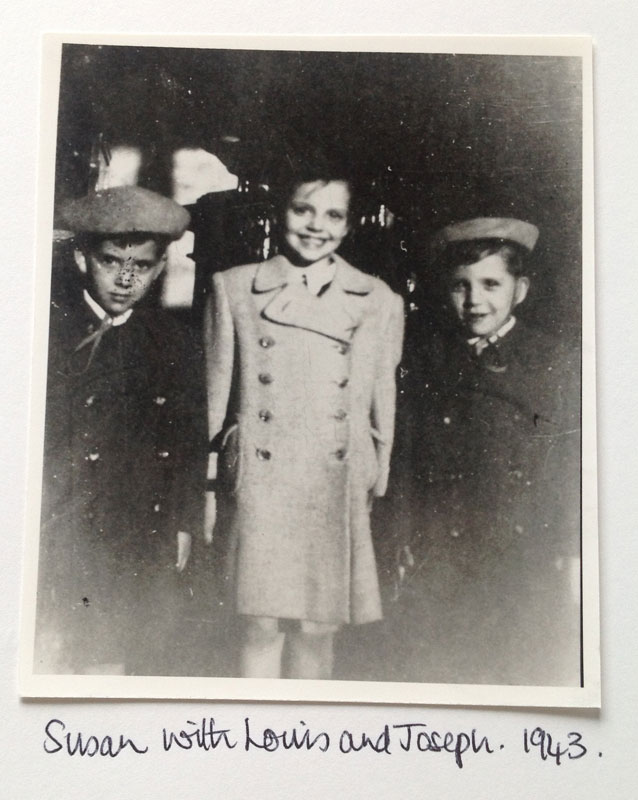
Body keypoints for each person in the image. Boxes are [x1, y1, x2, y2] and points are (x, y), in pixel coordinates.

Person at [203, 164, 404, 679]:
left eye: (333, 215)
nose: (316, 226)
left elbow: (382, 394)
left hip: (335, 478)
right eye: (303, 210)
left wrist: (376, 471)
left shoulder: (379, 300)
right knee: (259, 625)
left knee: (318, 629)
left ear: (350, 224)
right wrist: (209, 482)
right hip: (263, 479)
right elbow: (214, 396)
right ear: (280, 213)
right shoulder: (234, 288)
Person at [387, 217, 581, 686]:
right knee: (437, 670)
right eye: (461, 285)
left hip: (521, 556)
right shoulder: (426, 359)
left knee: (514, 671)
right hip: (440, 553)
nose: (475, 300)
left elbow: (570, 464)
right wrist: (402, 534)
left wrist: (571, 547)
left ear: (520, 290)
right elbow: (406, 456)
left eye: (491, 284)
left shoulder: (553, 361)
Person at [35, 185, 207, 675]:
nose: (127, 279)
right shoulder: (48, 331)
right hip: (61, 527)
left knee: (114, 658)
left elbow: (188, 444)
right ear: (81, 258)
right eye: (111, 261)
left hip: (136, 530)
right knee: (49, 653)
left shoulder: (173, 343)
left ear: (161, 267)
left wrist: (183, 523)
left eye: (143, 266)